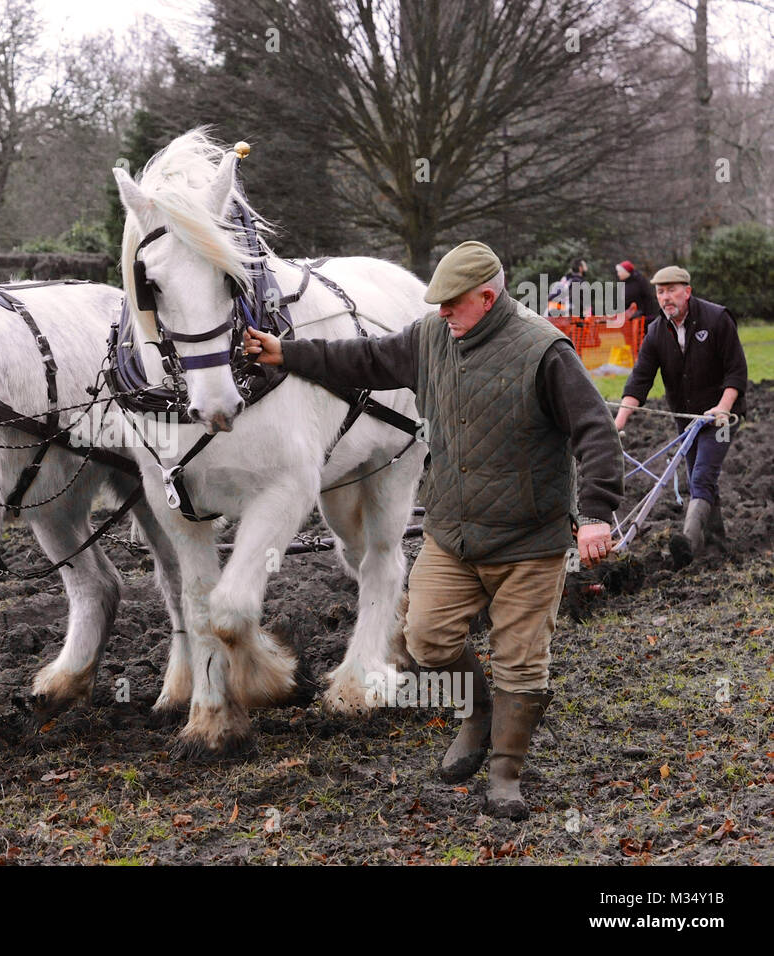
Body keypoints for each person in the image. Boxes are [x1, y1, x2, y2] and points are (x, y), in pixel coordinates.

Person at [243, 241, 624, 820]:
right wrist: (285, 353)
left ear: (487, 298)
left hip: (529, 541)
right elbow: (363, 359)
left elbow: (596, 430)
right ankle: (477, 714)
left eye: (452, 304)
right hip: (452, 532)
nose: (442, 312)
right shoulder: (430, 337)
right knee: (427, 639)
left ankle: (505, 773)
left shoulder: (544, 351)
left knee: (521, 662)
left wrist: (595, 513)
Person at [613, 266, 747, 566]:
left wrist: (723, 407)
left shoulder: (716, 319)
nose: (666, 297)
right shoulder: (656, 331)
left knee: (702, 473)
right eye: (660, 292)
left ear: (687, 291)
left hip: (723, 418)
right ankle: (716, 541)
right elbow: (640, 379)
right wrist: (618, 422)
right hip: (686, 419)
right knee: (700, 476)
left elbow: (736, 371)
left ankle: (689, 542)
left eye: (672, 290)